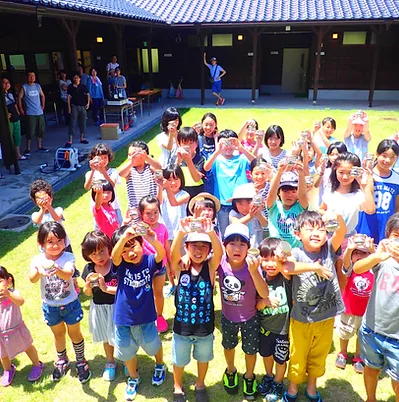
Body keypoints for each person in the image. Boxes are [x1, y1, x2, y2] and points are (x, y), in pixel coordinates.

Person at [283, 210, 347, 402]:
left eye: (320, 229)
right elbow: (287, 268)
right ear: (297, 234)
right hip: (301, 318)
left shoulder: (328, 249)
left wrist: (338, 217)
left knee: (319, 354)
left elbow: (341, 232)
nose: (316, 233)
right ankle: (293, 387)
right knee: (297, 355)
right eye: (310, 228)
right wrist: (315, 267)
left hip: (326, 317)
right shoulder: (295, 253)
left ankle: (312, 387)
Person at [28, 222, 91, 383]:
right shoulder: (38, 259)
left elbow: (68, 274)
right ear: (41, 243)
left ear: (65, 241)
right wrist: (39, 272)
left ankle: (81, 361)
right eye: (50, 242)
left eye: (59, 241)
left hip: (70, 304)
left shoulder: (68, 257)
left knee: (74, 333)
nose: (55, 245)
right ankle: (62, 360)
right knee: (58, 334)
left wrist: (56, 268)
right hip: (50, 306)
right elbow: (32, 279)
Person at [111, 225, 167, 401]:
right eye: (125, 250)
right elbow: (114, 256)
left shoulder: (149, 261)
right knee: (127, 351)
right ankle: (133, 377)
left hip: (146, 317)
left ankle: (160, 364)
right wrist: (124, 239)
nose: (130, 253)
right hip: (123, 318)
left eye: (133, 246)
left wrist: (152, 239)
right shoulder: (120, 266)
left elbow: (161, 255)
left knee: (153, 345)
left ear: (141, 244)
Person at [170, 217, 223, 402]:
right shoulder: (180, 267)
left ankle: (200, 384)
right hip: (181, 328)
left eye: (203, 246)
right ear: (186, 247)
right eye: (194, 246)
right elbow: (172, 255)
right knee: (179, 360)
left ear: (209, 250)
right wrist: (181, 232)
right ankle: (177, 386)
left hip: (204, 328)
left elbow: (220, 254)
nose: (198, 250)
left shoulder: (209, 268)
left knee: (203, 358)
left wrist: (210, 231)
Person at [218, 223, 269, 399]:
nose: (237, 248)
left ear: (248, 247)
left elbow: (264, 293)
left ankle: (249, 375)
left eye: (242, 244)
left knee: (250, 349)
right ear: (224, 246)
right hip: (227, 317)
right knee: (228, 345)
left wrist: (255, 272)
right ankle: (231, 370)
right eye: (232, 244)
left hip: (250, 317)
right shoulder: (220, 262)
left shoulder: (253, 265)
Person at [354, 213, 399, 402]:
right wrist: (377, 256)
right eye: (396, 236)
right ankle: (370, 398)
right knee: (371, 367)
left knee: (397, 381)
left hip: (397, 337)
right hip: (372, 328)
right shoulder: (382, 260)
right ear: (388, 236)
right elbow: (357, 269)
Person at [204, 129, 256, 236]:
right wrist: (217, 151)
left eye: (231, 143)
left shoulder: (242, 158)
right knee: (225, 233)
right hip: (223, 204)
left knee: (244, 233)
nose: (228, 146)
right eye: (224, 143)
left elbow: (257, 163)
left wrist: (241, 148)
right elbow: (206, 167)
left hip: (242, 203)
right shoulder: (217, 159)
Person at [335, 235, 374, 374]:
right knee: (345, 333)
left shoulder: (373, 270)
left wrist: (372, 250)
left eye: (364, 253)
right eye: (356, 253)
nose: (360, 256)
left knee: (361, 335)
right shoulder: (351, 269)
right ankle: (342, 353)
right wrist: (349, 249)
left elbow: (377, 262)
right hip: (349, 310)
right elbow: (345, 263)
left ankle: (358, 356)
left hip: (366, 311)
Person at [81, 231, 118, 381]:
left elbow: (123, 290)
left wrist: (105, 288)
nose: (99, 257)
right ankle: (110, 362)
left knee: (123, 335)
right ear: (88, 255)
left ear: (109, 248)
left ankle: (129, 360)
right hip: (99, 308)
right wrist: (88, 286)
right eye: (94, 254)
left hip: (117, 307)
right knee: (106, 337)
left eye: (102, 251)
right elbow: (87, 293)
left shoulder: (116, 266)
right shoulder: (89, 270)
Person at [320, 152, 376, 250]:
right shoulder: (330, 190)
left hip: (348, 240)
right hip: (329, 237)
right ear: (335, 170)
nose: (345, 177)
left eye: (350, 173)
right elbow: (321, 209)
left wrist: (364, 185)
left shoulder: (358, 195)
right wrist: (326, 214)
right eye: (341, 172)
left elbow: (370, 210)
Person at [0, 266, 44, 386]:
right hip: (1, 335)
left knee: (27, 347)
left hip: (17, 330)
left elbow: (20, 301)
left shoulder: (13, 293)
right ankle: (8, 369)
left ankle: (37, 364)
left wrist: (8, 294)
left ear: (8, 281)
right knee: (3, 354)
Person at [356, 139, 399, 244]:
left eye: (392, 156)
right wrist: (369, 174)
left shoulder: (396, 178)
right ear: (377, 154)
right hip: (366, 223)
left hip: (385, 226)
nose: (388, 160)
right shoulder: (366, 175)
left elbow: (397, 206)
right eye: (384, 155)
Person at [138, 196, 171, 333]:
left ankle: (159, 316)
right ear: (141, 214)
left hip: (160, 268)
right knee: (144, 294)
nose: (152, 216)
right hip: (143, 269)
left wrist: (171, 265)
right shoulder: (139, 229)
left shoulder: (162, 228)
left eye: (155, 212)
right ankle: (145, 317)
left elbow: (166, 247)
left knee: (158, 293)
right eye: (148, 213)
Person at [266, 162, 308, 248]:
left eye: (293, 191)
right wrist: (279, 172)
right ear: (279, 192)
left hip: (298, 250)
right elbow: (271, 194)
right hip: (276, 249)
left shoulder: (300, 207)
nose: (289, 195)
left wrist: (301, 174)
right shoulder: (274, 207)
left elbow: (303, 195)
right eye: (285, 191)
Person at [84, 143, 123, 225]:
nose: (102, 160)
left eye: (105, 157)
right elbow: (87, 187)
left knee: (118, 228)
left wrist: (103, 171)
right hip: (98, 208)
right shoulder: (90, 173)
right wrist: (93, 170)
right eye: (99, 158)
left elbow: (112, 185)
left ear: (109, 158)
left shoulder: (113, 171)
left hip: (113, 206)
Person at [118, 141, 162, 210]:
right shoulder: (130, 170)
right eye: (129, 155)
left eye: (133, 155)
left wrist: (147, 158)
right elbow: (121, 173)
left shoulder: (151, 168)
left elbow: (159, 168)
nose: (130, 157)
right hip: (135, 210)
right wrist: (131, 162)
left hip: (151, 208)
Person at [17, 70, 48, 155]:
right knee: (30, 131)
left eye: (33, 76)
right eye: (30, 76)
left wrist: (43, 105)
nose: (32, 77)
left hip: (39, 111)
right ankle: (28, 148)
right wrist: (21, 109)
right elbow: (19, 98)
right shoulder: (25, 87)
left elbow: (43, 95)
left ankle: (40, 146)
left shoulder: (37, 86)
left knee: (40, 129)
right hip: (30, 112)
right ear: (27, 77)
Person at [228, 183, 268, 248]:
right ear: (235, 204)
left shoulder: (258, 211)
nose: (245, 207)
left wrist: (257, 214)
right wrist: (250, 216)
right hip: (240, 248)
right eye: (240, 204)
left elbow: (265, 224)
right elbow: (236, 224)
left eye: (248, 203)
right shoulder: (233, 213)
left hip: (256, 247)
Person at [158, 164, 190, 240]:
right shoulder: (163, 193)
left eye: (176, 179)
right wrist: (160, 186)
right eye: (169, 180)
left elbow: (174, 203)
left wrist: (167, 187)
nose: (173, 183)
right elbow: (158, 202)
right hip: (165, 234)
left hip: (180, 234)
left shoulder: (185, 195)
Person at [175, 127, 206, 201]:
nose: (188, 146)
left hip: (197, 195)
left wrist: (188, 160)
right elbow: (171, 175)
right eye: (185, 143)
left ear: (196, 143)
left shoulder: (201, 159)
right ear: (179, 144)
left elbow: (197, 179)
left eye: (191, 142)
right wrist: (178, 161)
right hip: (180, 195)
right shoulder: (175, 158)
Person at [2, 77, 26, 160]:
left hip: (16, 118)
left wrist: (18, 111)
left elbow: (14, 104)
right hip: (8, 121)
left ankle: (18, 154)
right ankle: (10, 156)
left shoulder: (10, 94)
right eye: (4, 82)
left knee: (17, 137)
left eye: (8, 82)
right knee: (9, 138)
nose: (6, 84)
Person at [66, 71, 90, 146]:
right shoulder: (70, 87)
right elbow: (68, 97)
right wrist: (69, 107)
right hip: (74, 106)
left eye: (77, 78)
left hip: (82, 106)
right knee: (72, 123)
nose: (76, 79)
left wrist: (88, 103)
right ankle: (70, 140)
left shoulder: (83, 86)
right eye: (75, 78)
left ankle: (82, 138)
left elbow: (88, 94)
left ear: (79, 78)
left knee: (83, 123)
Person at [198, 112, 218, 194]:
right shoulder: (198, 138)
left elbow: (219, 153)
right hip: (201, 175)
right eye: (206, 124)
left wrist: (216, 139)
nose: (208, 127)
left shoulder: (219, 138)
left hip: (215, 176)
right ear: (202, 124)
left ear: (216, 125)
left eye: (211, 125)